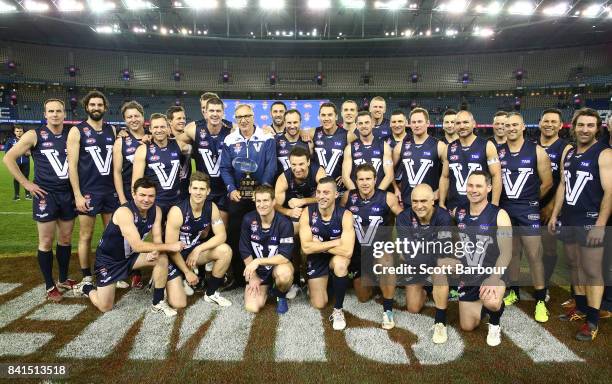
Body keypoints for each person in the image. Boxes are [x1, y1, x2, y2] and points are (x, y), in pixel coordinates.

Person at [73, 177, 186, 317]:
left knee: (162, 258)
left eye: (151, 196)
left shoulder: (156, 210)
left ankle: (158, 303)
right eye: (142, 195)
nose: (146, 199)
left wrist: (156, 251)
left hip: (132, 257)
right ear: (134, 194)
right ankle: (86, 288)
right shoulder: (124, 212)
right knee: (105, 306)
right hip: (110, 261)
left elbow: (157, 239)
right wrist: (171, 246)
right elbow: (138, 246)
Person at [3, 99, 76, 302]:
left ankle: (62, 278)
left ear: (64, 114)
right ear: (45, 114)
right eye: (51, 111)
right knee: (45, 241)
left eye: (58, 111)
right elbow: (8, 158)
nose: (55, 114)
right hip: (46, 195)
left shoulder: (72, 134)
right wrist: (26, 184)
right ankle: (49, 284)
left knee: (66, 239)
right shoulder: (34, 135)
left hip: (67, 194)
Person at [549, 108, 612, 341]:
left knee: (592, 271)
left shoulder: (604, 153)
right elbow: (564, 186)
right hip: (569, 220)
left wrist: (600, 224)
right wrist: (555, 214)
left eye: (590, 125)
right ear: (573, 127)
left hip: (590, 221)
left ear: (597, 128)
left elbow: (610, 191)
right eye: (581, 125)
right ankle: (581, 308)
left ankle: (593, 321)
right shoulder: (570, 153)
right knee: (574, 266)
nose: (585, 129)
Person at [441, 171, 512, 347]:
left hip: (492, 273)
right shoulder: (459, 211)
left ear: (488, 188)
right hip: (469, 276)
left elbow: (507, 252)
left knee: (493, 302)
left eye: (478, 186)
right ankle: (481, 303)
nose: (473, 190)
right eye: (470, 185)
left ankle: (494, 322)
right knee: (467, 326)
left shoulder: (499, 214)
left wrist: (494, 278)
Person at [498, 112, 552, 323]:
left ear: (523, 127)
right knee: (511, 254)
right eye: (507, 125)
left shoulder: (537, 151)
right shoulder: (498, 151)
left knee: (533, 254)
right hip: (505, 209)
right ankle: (514, 291)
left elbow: (547, 182)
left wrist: (529, 199)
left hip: (527, 210)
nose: (510, 128)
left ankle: (540, 300)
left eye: (514, 125)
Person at [221, 103, 277, 288]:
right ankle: (238, 276)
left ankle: (267, 276)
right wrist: (231, 189)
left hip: (260, 198)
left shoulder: (267, 137)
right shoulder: (230, 140)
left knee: (265, 235)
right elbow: (225, 168)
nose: (243, 120)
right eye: (239, 117)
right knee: (236, 235)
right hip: (238, 197)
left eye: (247, 116)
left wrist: (263, 191)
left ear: (253, 117)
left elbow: (271, 166)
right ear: (235, 120)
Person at [67, 90, 119, 285]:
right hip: (88, 192)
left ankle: (112, 271)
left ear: (105, 108)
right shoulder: (77, 130)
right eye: (92, 105)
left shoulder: (112, 129)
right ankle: (87, 275)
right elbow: (71, 166)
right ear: (86, 107)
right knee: (85, 235)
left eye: (99, 105)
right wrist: (78, 195)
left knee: (112, 234)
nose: (96, 108)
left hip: (109, 191)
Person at [341, 164, 402, 329]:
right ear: (356, 180)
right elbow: (338, 218)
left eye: (368, 179)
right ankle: (376, 281)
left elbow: (403, 218)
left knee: (386, 262)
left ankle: (388, 310)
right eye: (361, 179)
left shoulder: (387, 197)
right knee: (363, 297)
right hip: (359, 255)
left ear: (375, 180)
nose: (365, 182)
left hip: (380, 250)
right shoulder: (348, 197)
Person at [395, 184, 452, 343]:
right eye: (415, 201)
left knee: (441, 268)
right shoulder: (403, 217)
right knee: (413, 308)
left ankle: (440, 321)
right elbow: (406, 254)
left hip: (436, 264)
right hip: (417, 264)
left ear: (433, 200)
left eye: (423, 201)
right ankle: (427, 289)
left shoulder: (444, 218)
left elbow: (444, 252)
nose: (419, 206)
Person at [165, 171, 233, 304]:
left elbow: (221, 236)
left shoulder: (211, 207)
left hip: (192, 253)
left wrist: (198, 249)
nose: (198, 192)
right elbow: (170, 248)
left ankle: (211, 293)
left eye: (202, 189)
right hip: (173, 257)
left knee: (225, 251)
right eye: (195, 188)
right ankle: (166, 278)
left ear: (208, 191)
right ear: (189, 189)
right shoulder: (177, 211)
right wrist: (186, 272)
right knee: (178, 303)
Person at [299, 177, 355, 330]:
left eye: (326, 192)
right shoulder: (308, 212)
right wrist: (334, 242)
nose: (321, 196)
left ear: (336, 195)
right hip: (317, 258)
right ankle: (328, 283)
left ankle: (338, 310)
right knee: (319, 303)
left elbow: (348, 251)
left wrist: (319, 245)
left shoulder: (345, 215)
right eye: (318, 192)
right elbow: (306, 248)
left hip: (335, 258)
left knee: (341, 264)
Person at [275, 146, 325, 299]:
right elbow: (274, 203)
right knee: (293, 237)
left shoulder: (318, 171)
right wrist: (288, 211)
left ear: (309, 162)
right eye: (294, 164)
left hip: (317, 213)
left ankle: (312, 277)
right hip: (294, 216)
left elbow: (327, 196)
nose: (297, 168)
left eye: (301, 164)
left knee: (312, 242)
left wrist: (303, 201)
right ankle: (296, 280)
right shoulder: (284, 177)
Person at [241, 185, 295, 314]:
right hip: (258, 272)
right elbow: (244, 250)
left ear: (273, 202)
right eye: (258, 201)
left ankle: (280, 294)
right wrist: (253, 276)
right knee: (252, 307)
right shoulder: (248, 219)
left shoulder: (284, 223)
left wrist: (258, 261)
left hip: (277, 267)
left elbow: (284, 256)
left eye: (265, 200)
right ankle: (268, 289)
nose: (261, 205)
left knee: (285, 275)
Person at [439, 110, 502, 214]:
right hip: (454, 208)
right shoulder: (448, 148)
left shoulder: (487, 146)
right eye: (458, 123)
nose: (462, 126)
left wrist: (494, 203)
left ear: (474, 124)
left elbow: (496, 175)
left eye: (465, 122)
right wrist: (441, 202)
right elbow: (445, 177)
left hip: (481, 208)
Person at [537, 108, 572, 292]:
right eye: (546, 121)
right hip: (530, 205)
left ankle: (545, 284)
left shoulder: (565, 148)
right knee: (522, 247)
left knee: (549, 247)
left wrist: (552, 208)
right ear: (540, 123)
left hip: (550, 207)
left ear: (560, 125)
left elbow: (564, 182)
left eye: (553, 122)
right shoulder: (531, 144)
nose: (549, 124)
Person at [132, 113, 191, 219]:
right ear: (150, 129)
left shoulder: (179, 144)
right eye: (155, 127)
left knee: (175, 234)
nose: (159, 130)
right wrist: (138, 205)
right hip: (155, 203)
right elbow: (136, 182)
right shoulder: (143, 149)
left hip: (176, 202)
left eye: (162, 127)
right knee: (157, 234)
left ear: (168, 128)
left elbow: (194, 140)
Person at [393, 107, 447, 205]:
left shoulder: (440, 146)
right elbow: (388, 171)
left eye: (419, 121)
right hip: (407, 203)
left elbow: (449, 175)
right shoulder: (400, 146)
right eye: (413, 122)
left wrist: (439, 192)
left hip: (430, 203)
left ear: (427, 123)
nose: (416, 125)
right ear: (409, 124)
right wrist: (396, 188)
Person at [342, 111, 393, 191]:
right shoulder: (349, 148)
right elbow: (345, 177)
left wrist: (376, 195)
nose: (364, 126)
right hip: (357, 196)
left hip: (379, 194)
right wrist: (357, 195)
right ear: (357, 126)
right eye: (360, 123)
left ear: (372, 124)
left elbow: (389, 175)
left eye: (367, 122)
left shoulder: (384, 146)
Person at [167, 105, 191, 200]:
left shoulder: (190, 137)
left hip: (186, 186)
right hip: (169, 187)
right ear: (170, 121)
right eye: (179, 118)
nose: (182, 121)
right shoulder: (163, 138)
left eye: (184, 118)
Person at [4, 125, 31, 201]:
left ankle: (28, 194)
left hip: (26, 162)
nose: (19, 133)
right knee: (16, 178)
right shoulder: (10, 140)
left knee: (26, 178)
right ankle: (16, 195)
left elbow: (31, 151)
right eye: (17, 131)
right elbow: (6, 152)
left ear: (23, 131)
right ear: (14, 132)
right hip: (15, 163)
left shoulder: (27, 140)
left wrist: (29, 153)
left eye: (20, 131)